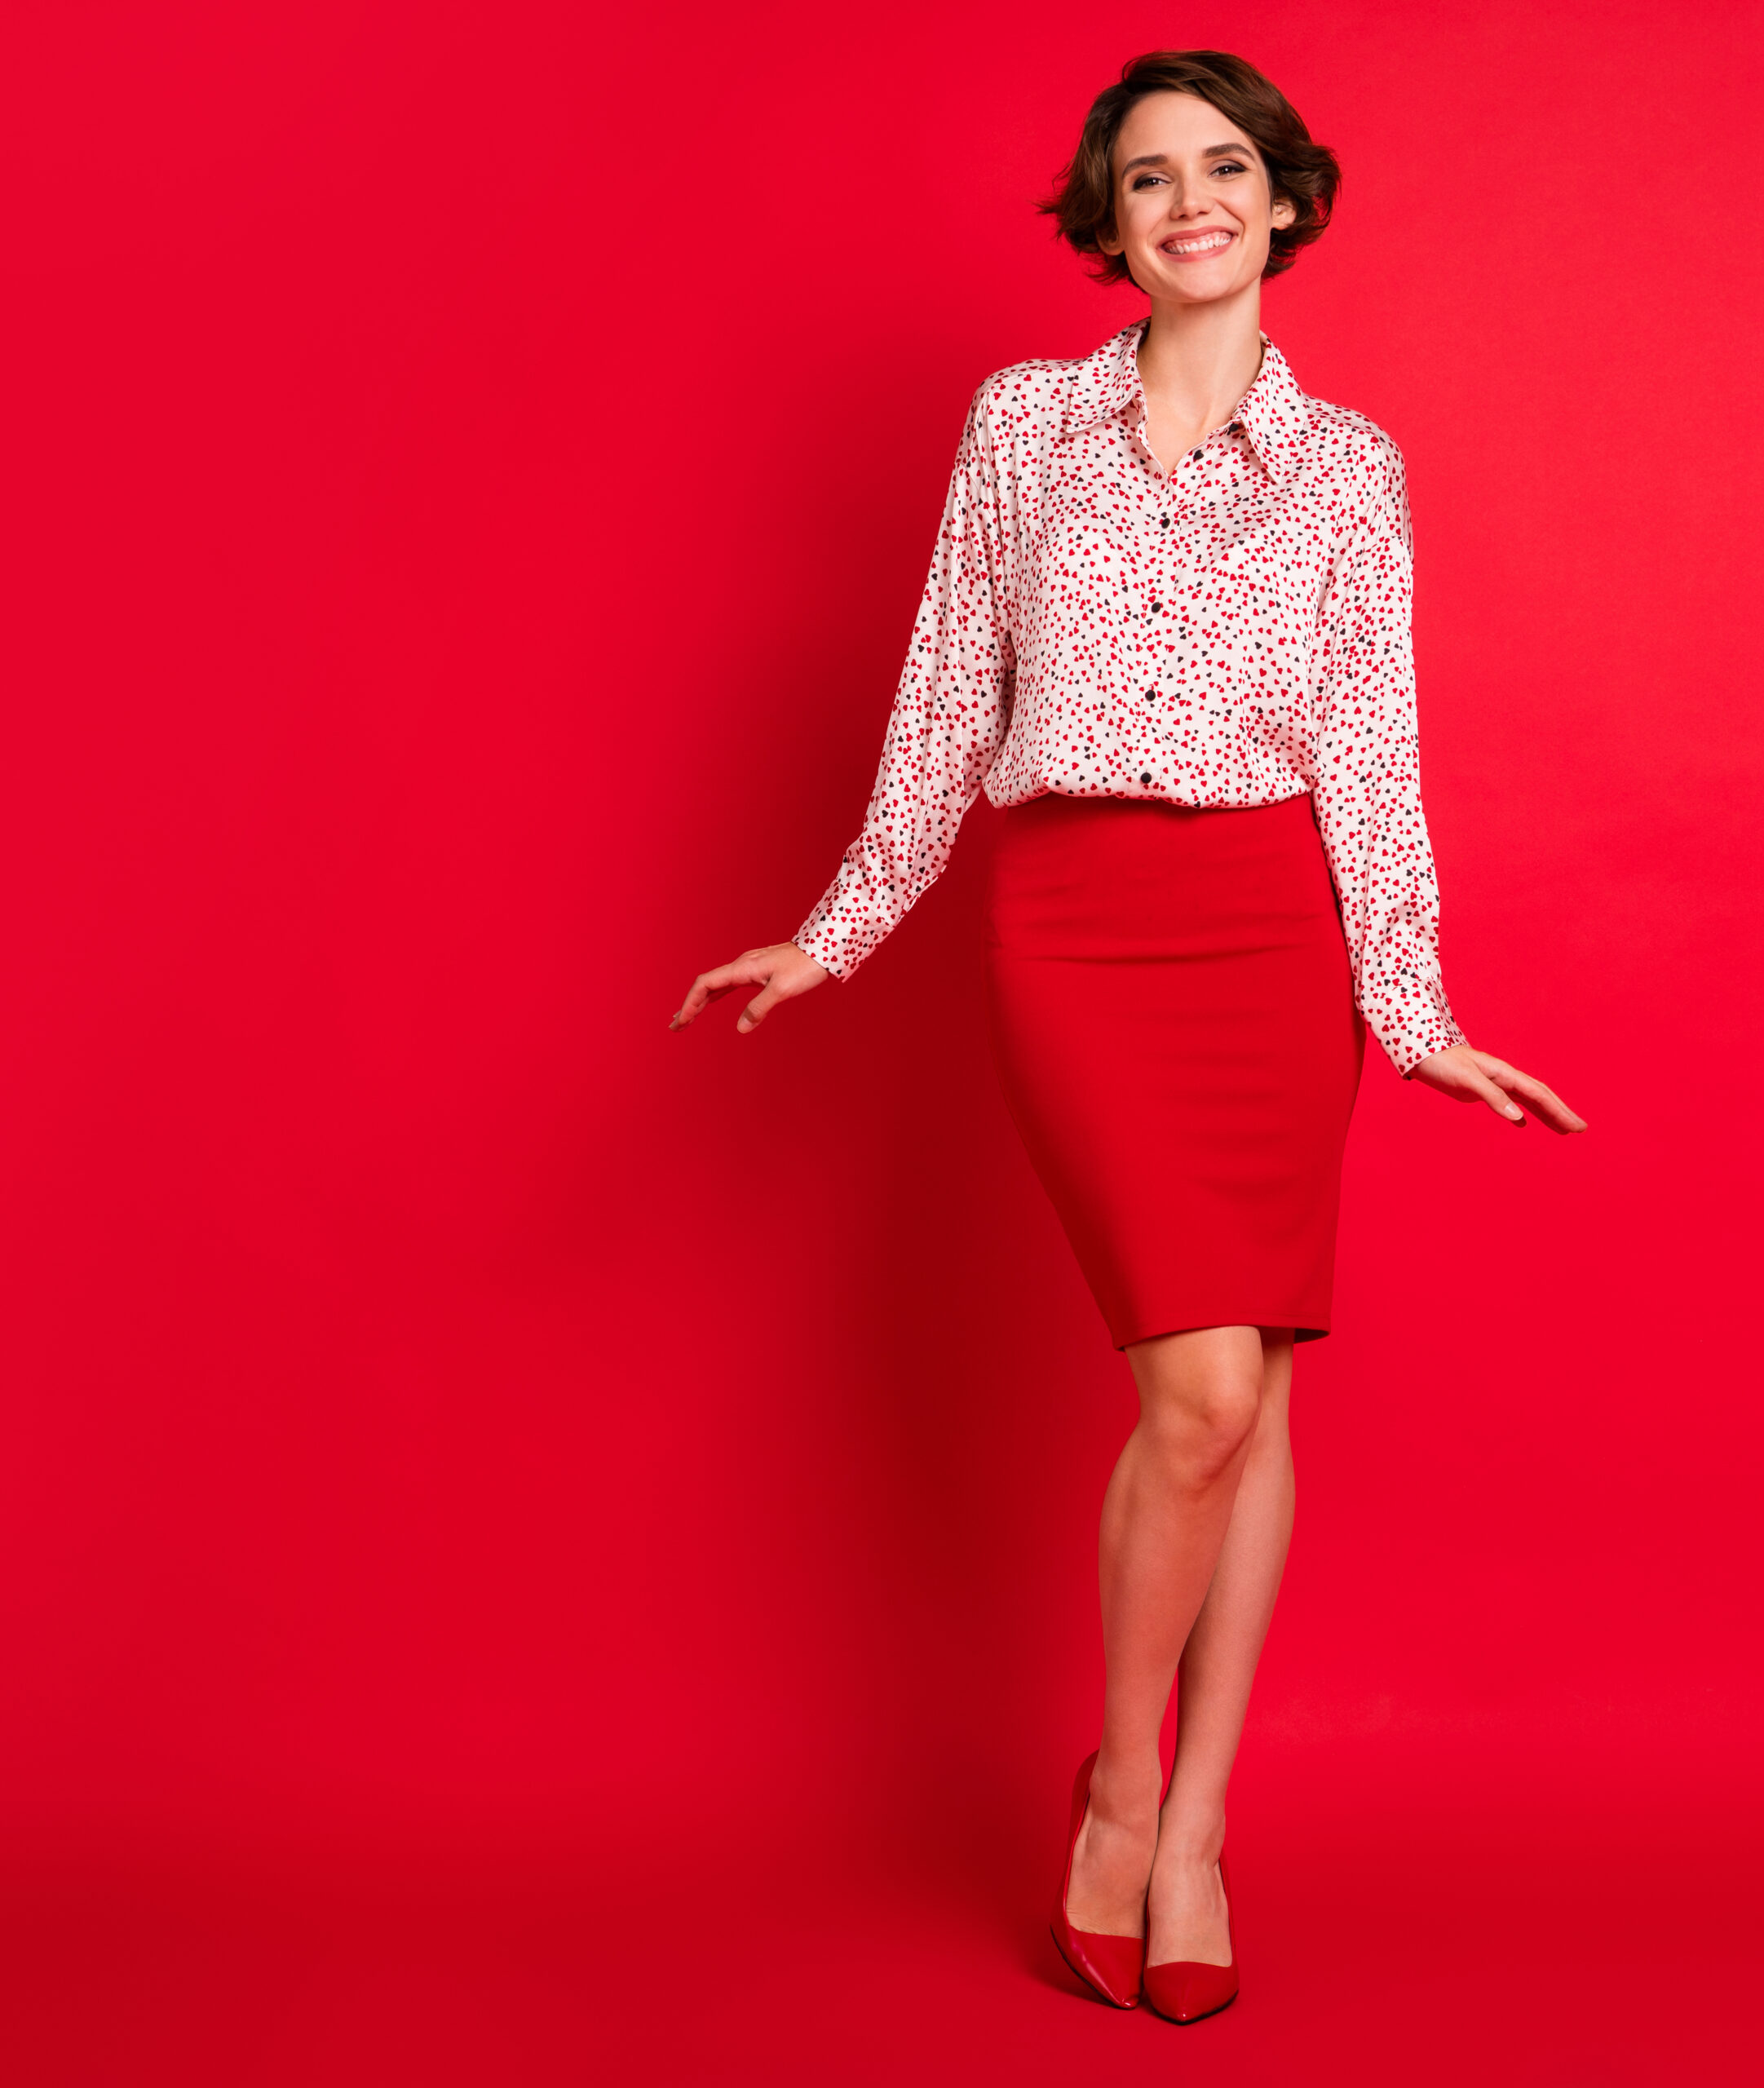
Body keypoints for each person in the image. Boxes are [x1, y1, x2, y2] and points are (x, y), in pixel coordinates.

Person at [670, 49, 1581, 2024]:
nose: (1191, 200)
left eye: (1224, 167)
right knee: (1201, 1390)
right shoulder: (1024, 430)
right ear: (1112, 221)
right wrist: (839, 933)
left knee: (1248, 1394)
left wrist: (1408, 1006)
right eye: (1150, 175)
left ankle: (1190, 1831)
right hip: (1078, 926)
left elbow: (1376, 752)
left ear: (1281, 198)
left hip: (1270, 930)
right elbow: (938, 696)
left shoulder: (1354, 469)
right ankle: (1117, 1782)